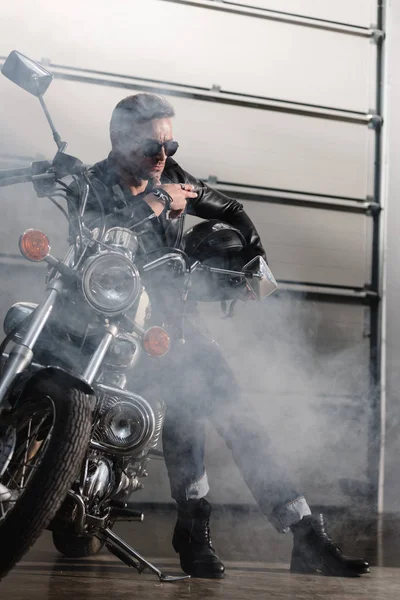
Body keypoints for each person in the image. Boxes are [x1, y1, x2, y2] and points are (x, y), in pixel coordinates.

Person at [71, 92, 369, 579]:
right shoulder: (88, 185)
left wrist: (257, 258)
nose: (163, 156)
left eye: (170, 144)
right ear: (120, 139)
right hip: (109, 329)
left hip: (173, 324)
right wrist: (155, 201)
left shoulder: (171, 175)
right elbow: (91, 241)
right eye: (152, 145)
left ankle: (299, 534)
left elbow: (229, 208)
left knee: (235, 419)